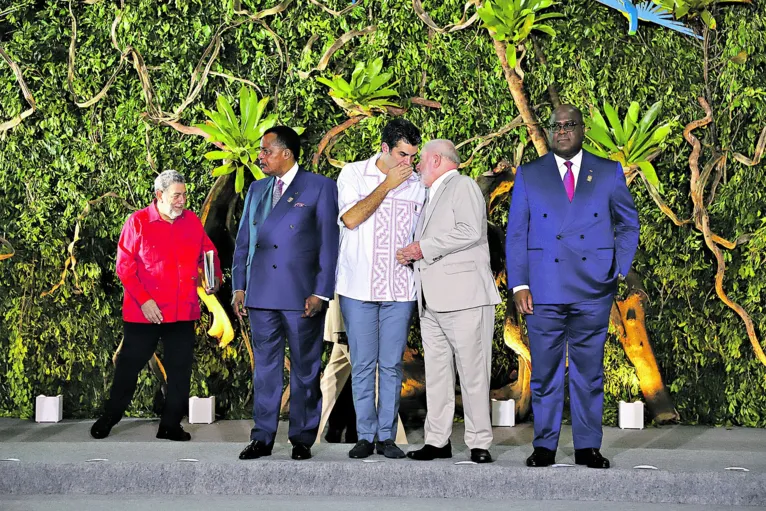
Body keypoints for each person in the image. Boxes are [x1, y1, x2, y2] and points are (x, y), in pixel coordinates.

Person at [506, 105, 640, 469]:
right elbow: (516, 232)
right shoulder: (530, 174)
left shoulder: (609, 172)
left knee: (588, 372)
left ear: (582, 130)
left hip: (592, 289)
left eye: (570, 125)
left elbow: (628, 225)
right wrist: (519, 283)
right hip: (543, 290)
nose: (562, 131)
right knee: (545, 372)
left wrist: (616, 269)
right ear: (549, 132)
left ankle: (588, 447)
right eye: (556, 126)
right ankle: (544, 446)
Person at [232, 126, 339, 461]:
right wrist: (239, 286)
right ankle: (261, 437)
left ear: (286, 154)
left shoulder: (320, 187)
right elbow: (243, 244)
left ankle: (302, 438)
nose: (260, 157)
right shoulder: (256, 189)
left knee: (305, 370)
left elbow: (329, 245)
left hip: (300, 295)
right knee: (264, 369)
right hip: (260, 295)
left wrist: (321, 292)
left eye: (266, 151)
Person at [91, 169, 222, 441]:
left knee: (180, 371)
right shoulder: (137, 222)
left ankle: (170, 425)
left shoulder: (192, 222)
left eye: (184, 194)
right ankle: (110, 416)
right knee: (128, 367)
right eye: (177, 195)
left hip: (183, 311)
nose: (182, 200)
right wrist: (145, 300)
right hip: (144, 313)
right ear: (159, 195)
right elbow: (125, 268)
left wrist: (214, 278)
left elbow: (208, 255)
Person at [397, 139, 500, 464]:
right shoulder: (431, 195)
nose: (416, 166)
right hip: (431, 301)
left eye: (420, 161)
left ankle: (479, 443)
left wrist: (422, 248)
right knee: (438, 374)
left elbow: (470, 230)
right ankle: (437, 441)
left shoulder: (463, 185)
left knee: (473, 373)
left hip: (466, 297)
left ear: (437, 159)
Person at [335, 118, 425, 459]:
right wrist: (387, 185)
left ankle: (387, 437)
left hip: (401, 290)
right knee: (362, 364)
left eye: (412, 157)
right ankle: (364, 435)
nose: (408, 163)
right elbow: (351, 219)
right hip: (358, 288)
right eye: (402, 155)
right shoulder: (353, 174)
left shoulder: (419, 185)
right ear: (385, 148)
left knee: (391, 366)